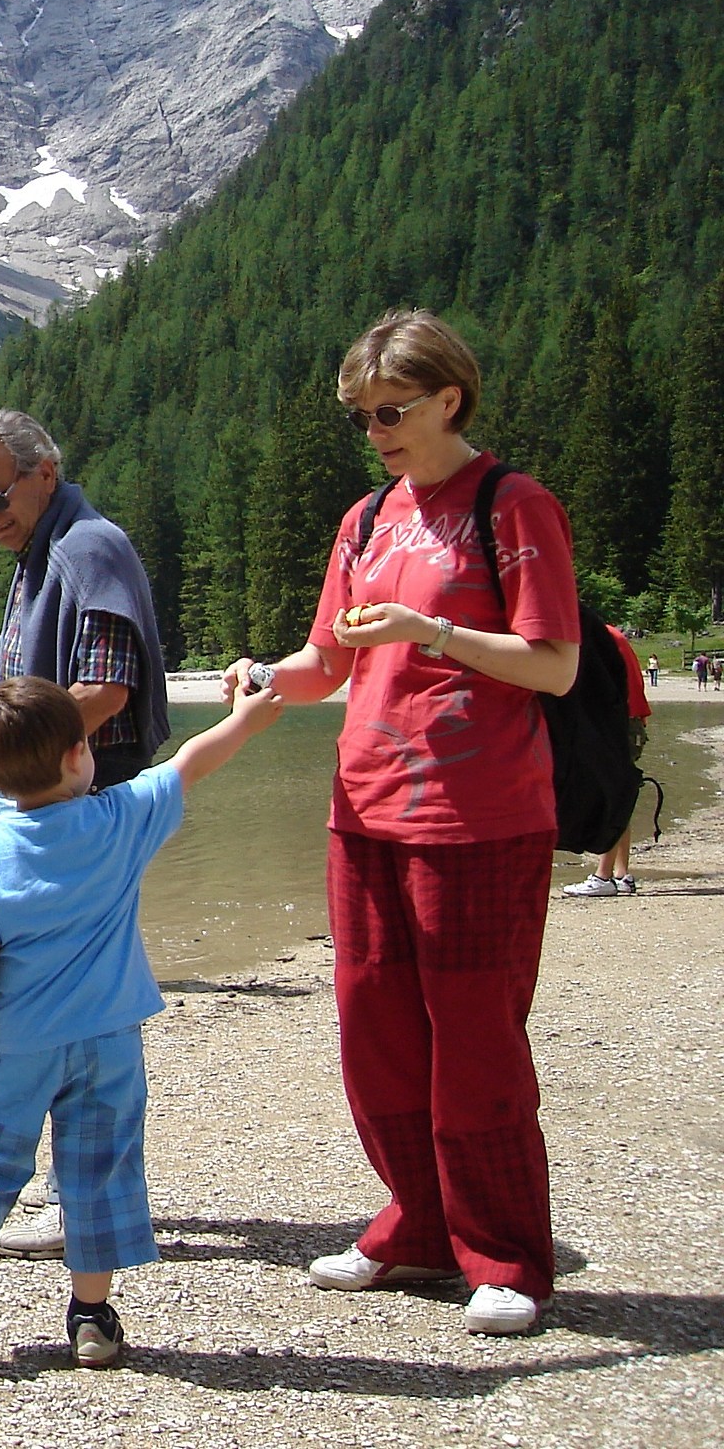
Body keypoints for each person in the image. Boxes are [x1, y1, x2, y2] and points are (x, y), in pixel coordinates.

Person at [224, 309, 578, 1337]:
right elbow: (328, 662)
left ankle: (506, 1256)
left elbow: (551, 665)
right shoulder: (366, 520)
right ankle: (416, 1227)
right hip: (365, 808)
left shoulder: (513, 507)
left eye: (390, 412)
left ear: (449, 399)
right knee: (376, 1028)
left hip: (481, 817)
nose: (374, 430)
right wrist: (266, 677)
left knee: (474, 1039)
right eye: (360, 417)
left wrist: (432, 630)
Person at [0, 674, 283, 1369]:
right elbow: (192, 761)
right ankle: (91, 1317)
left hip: (19, 1041)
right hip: (109, 1038)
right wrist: (248, 718)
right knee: (98, 1167)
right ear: (81, 755)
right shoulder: (119, 818)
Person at [0, 410, 171, 1261]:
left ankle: (79, 1208)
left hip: (80, 806)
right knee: (53, 1003)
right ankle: (73, 1197)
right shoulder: (40, 551)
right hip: (46, 803)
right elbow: (12, 662)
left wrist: (6, 758)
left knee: (52, 1009)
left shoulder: (88, 546)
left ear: (45, 472)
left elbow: (107, 688)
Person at [563, 622, 650, 896]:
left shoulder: (595, 635)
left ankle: (603, 877)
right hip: (630, 720)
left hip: (620, 722)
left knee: (611, 796)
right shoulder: (610, 633)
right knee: (620, 795)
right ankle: (622, 875)